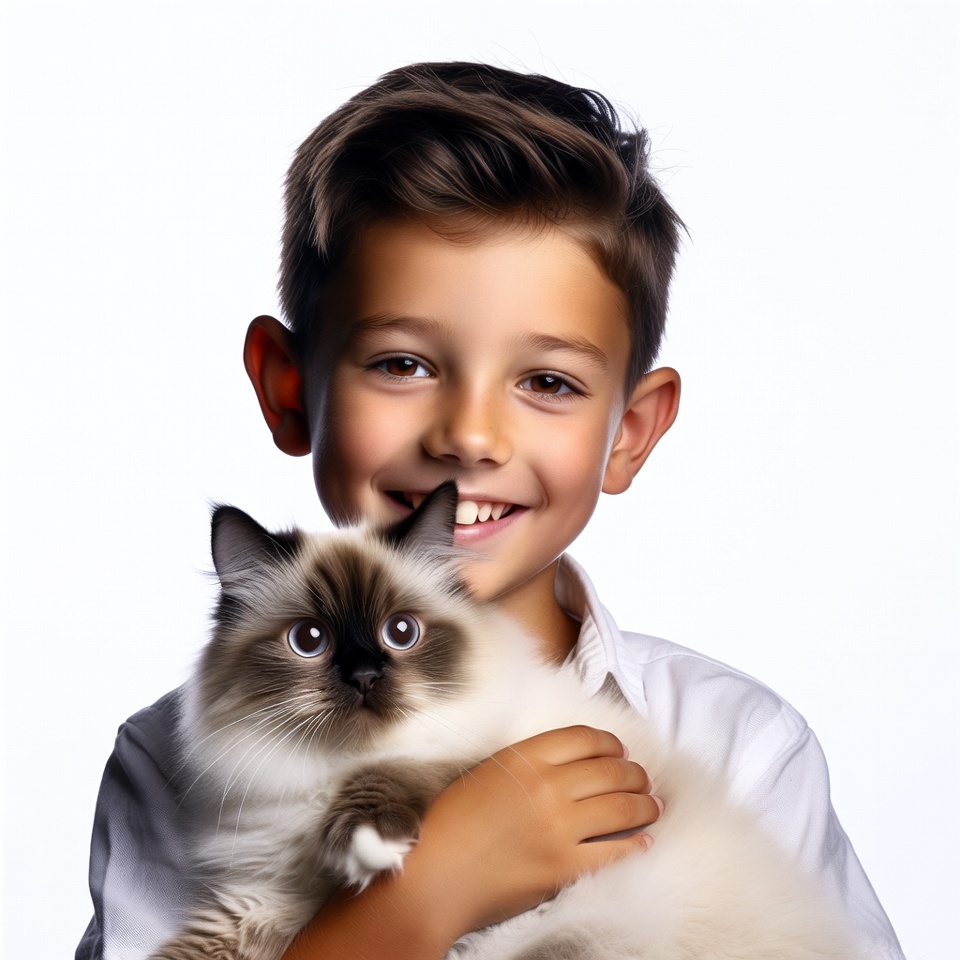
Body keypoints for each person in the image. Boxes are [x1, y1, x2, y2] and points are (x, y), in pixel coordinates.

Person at [76, 62, 904, 960]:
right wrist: (423, 899)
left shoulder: (734, 741)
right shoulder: (171, 764)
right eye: (402, 364)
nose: (471, 437)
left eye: (546, 381)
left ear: (629, 432)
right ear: (288, 391)